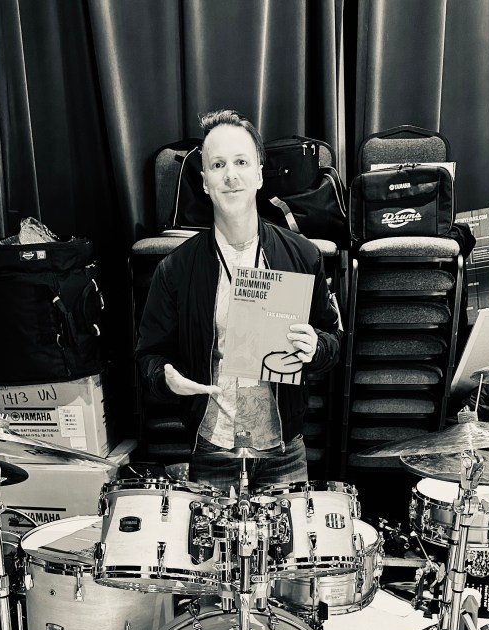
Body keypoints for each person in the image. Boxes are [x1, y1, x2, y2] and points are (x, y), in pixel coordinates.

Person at [135, 109, 342, 492]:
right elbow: (148, 356)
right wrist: (164, 378)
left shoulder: (302, 256)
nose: (230, 175)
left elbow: (333, 340)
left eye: (241, 162)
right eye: (218, 165)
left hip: (283, 450)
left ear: (259, 175)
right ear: (205, 181)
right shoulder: (175, 269)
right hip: (211, 447)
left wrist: (317, 347)